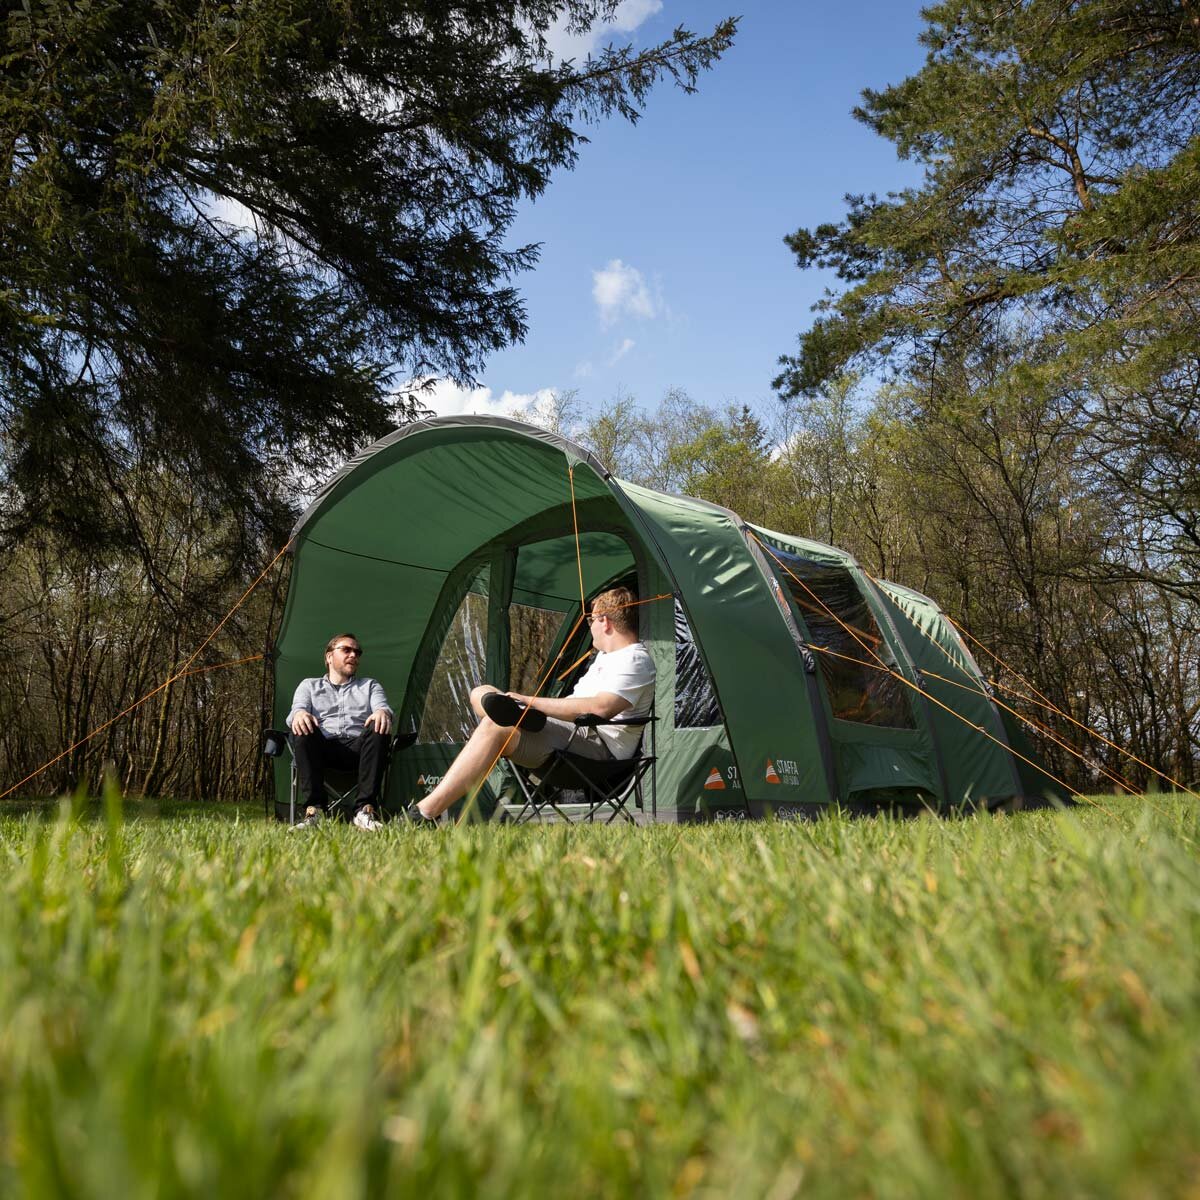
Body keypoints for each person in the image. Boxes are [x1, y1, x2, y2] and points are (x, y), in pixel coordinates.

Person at [414, 586, 655, 821]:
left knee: (494, 726)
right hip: (568, 736)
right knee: (481, 691)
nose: (590, 627)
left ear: (605, 622)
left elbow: (600, 708)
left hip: (596, 749)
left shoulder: (635, 659)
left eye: (590, 621)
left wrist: (529, 701)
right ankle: (516, 713)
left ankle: (423, 813)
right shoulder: (605, 658)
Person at [287, 633, 393, 830]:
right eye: (346, 650)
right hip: (322, 749)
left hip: (360, 749)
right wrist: (300, 714)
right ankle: (315, 812)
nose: (353, 655)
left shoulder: (370, 686)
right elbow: (297, 709)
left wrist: (381, 712)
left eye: (357, 652)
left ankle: (364, 811)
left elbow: (383, 707)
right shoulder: (309, 685)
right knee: (301, 725)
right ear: (329, 657)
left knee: (380, 724)